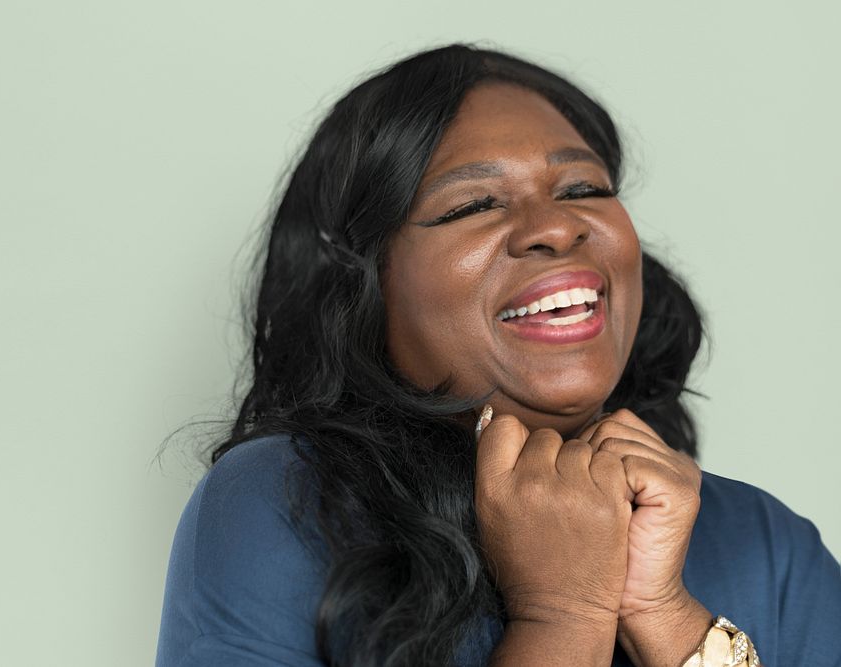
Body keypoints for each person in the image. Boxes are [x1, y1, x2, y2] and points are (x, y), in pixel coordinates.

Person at [155, 44, 841, 666]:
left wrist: (665, 617)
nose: (556, 225)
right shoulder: (282, 503)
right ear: (364, 285)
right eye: (473, 205)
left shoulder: (765, 542)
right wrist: (563, 617)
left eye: (584, 190)